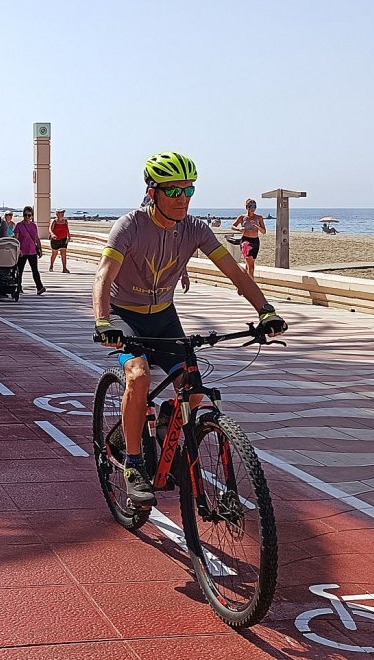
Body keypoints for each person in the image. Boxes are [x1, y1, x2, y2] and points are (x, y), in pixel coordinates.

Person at [93, 152, 287, 507]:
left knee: (193, 389)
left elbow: (235, 272)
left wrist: (266, 311)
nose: (182, 198)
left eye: (189, 190)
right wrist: (103, 321)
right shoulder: (129, 226)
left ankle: (166, 418)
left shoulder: (195, 229)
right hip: (125, 316)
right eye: (173, 190)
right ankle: (134, 464)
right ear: (152, 192)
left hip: (164, 317)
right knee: (138, 376)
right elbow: (104, 275)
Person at [14, 206, 47, 295]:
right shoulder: (19, 225)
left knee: (35, 270)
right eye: (25, 215)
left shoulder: (33, 226)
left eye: (29, 215)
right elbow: (16, 240)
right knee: (19, 270)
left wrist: (40, 249)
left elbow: (36, 238)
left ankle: (39, 287)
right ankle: (18, 287)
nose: (27, 217)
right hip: (22, 252)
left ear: (32, 216)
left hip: (32, 251)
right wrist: (18, 250)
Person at [231, 198, 267, 278]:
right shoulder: (242, 217)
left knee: (249, 265)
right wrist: (239, 229)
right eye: (251, 206)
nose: (253, 208)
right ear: (247, 207)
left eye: (254, 206)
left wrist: (257, 225)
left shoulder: (259, 218)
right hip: (245, 242)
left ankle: (245, 281)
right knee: (251, 267)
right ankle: (251, 285)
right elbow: (233, 226)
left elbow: (264, 231)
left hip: (255, 242)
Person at [49, 208, 71, 273]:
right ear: (57, 214)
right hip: (55, 240)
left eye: (63, 213)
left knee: (63, 254)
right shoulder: (54, 221)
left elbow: (67, 229)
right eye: (61, 213)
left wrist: (68, 236)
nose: (62, 214)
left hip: (63, 239)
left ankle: (64, 268)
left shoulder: (65, 221)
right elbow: (50, 229)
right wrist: (52, 234)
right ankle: (51, 265)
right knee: (54, 254)